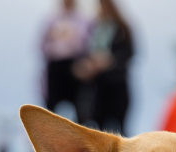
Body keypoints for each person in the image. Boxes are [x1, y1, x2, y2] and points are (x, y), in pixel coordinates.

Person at [74, 0, 134, 135]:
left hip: (117, 85)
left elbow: (129, 53)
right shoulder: (93, 28)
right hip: (97, 87)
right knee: (100, 128)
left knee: (120, 129)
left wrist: (110, 61)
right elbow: (83, 53)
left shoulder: (121, 28)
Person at [40, 0, 91, 121]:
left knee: (79, 108)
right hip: (55, 66)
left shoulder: (84, 20)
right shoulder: (51, 20)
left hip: (75, 66)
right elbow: (42, 45)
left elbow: (87, 45)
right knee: (51, 109)